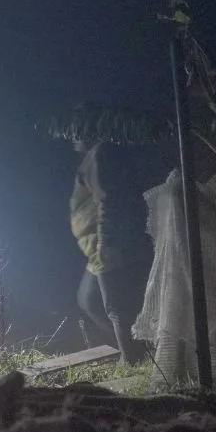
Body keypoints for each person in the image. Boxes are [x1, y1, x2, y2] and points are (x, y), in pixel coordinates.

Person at [69, 138, 149, 363]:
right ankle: (137, 349)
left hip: (109, 244)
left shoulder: (100, 154)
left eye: (77, 129)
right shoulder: (94, 156)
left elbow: (109, 200)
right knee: (89, 298)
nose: (72, 136)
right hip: (97, 248)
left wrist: (108, 242)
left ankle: (133, 359)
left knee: (117, 307)